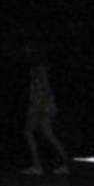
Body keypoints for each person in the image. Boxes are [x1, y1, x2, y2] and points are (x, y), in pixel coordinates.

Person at [23, 44, 69, 175]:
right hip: (40, 103)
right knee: (47, 134)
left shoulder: (40, 67)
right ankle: (66, 164)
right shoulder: (35, 67)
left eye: (29, 50)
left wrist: (41, 106)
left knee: (28, 132)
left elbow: (45, 88)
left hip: (40, 104)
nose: (26, 53)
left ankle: (38, 166)